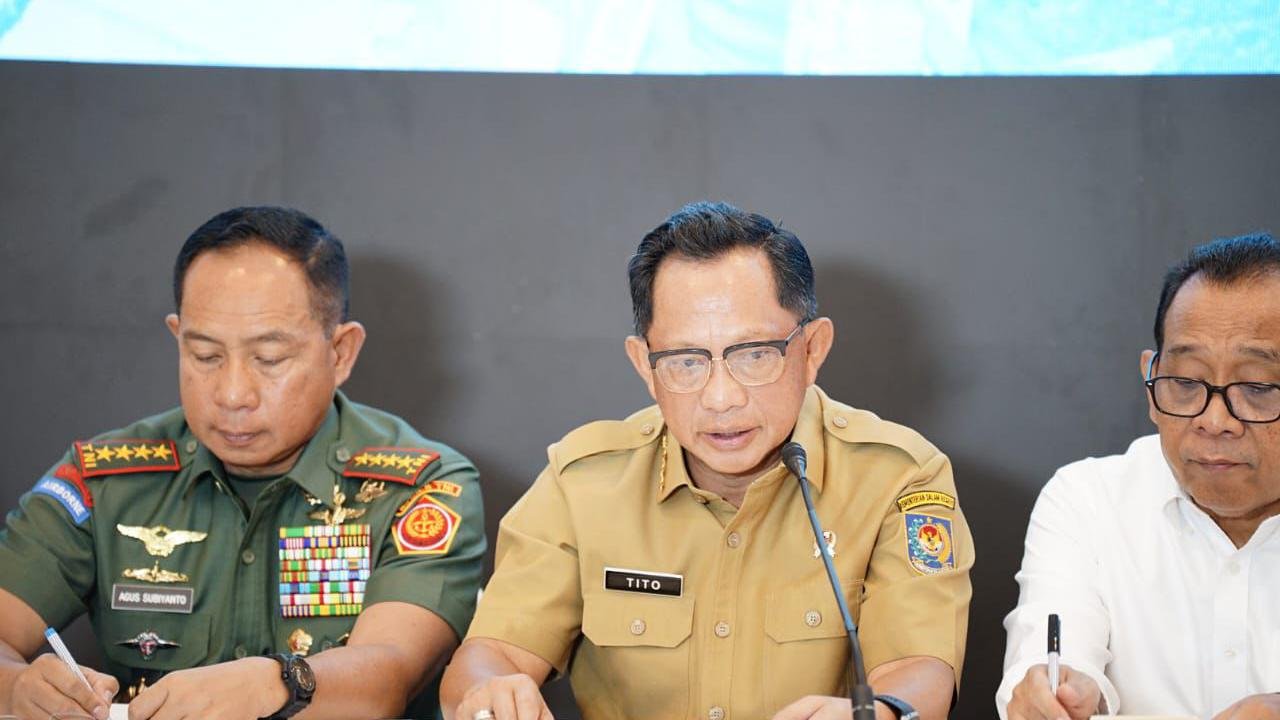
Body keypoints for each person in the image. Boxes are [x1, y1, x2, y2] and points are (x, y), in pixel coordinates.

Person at [440, 201, 973, 720]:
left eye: (755, 354)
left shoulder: (897, 476)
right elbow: (492, 655)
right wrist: (492, 694)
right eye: (685, 361)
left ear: (813, 349)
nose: (721, 398)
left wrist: (877, 713)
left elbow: (918, 667)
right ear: (644, 366)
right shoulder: (582, 484)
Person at [0, 206, 485, 720]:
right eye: (206, 356)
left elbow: (388, 678)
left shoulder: (419, 487)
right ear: (177, 338)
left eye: (269, 359)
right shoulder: (106, 481)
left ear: (341, 353)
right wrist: (17, 688)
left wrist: (278, 683)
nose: (232, 394)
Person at [997, 233, 1280, 720]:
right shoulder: (1088, 500)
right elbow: (1048, 662)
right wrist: (1062, 693)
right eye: (1185, 382)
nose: (1215, 420)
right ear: (1151, 384)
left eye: (1256, 386)